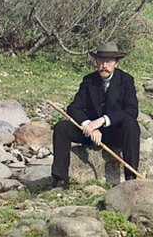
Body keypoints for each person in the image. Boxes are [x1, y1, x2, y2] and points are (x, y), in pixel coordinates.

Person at [51, 41, 140, 188]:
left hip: (115, 133)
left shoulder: (126, 80)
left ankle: (130, 178)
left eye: (109, 61)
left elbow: (131, 111)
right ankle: (60, 180)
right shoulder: (89, 80)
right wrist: (88, 125)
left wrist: (103, 121)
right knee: (62, 128)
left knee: (132, 125)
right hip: (90, 133)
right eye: (101, 61)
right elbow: (73, 108)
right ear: (96, 62)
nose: (104, 65)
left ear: (116, 63)